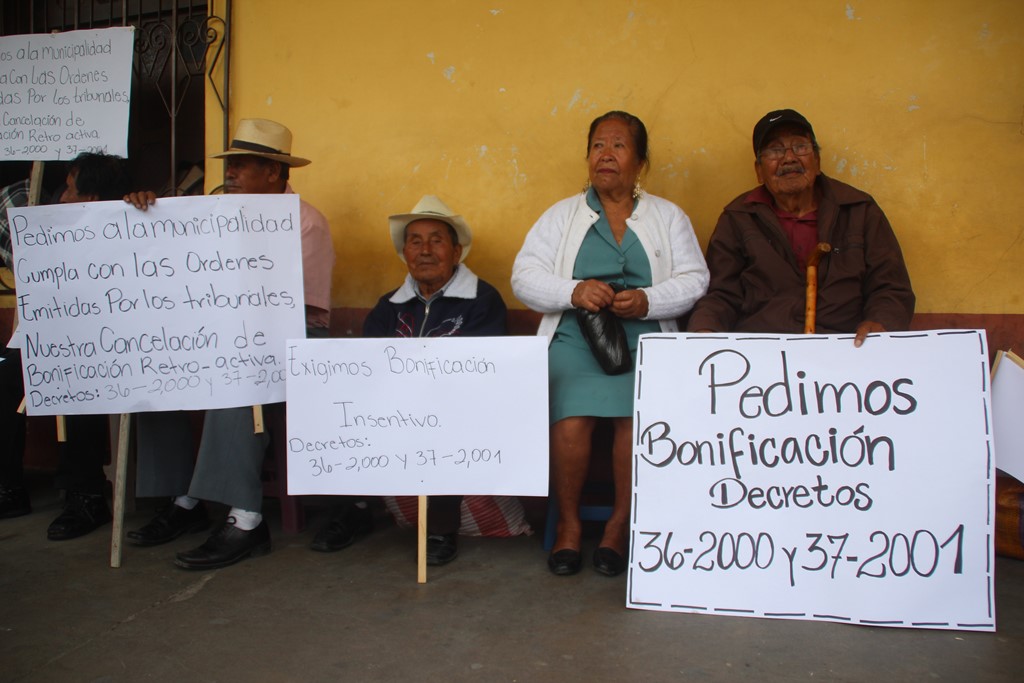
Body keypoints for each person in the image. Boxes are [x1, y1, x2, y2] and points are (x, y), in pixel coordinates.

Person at [123, 118, 335, 570]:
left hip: (292, 339)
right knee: (154, 371)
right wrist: (142, 209)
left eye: (241, 167)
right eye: (230, 166)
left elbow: (297, 307)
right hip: (220, 332)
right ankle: (185, 498)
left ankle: (246, 518)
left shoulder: (306, 222)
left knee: (235, 378)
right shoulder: (210, 212)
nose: (230, 174)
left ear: (274, 173)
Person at [511, 111, 709, 577]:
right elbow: (524, 276)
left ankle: (619, 526)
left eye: (618, 146)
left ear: (640, 160)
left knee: (631, 423)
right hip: (577, 337)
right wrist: (572, 291)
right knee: (572, 422)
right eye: (598, 145)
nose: (606, 155)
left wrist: (648, 300)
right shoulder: (561, 216)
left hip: (647, 338)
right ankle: (571, 527)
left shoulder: (666, 216)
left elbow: (695, 277)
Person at [312, 195, 507, 566]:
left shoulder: (483, 300)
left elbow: (484, 368)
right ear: (404, 253)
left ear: (456, 251)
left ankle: (439, 527)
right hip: (394, 405)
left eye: (436, 240)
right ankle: (355, 509)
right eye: (415, 241)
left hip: (454, 406)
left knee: (443, 424)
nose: (425, 250)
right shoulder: (389, 305)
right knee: (344, 411)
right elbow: (367, 365)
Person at [686, 109, 915, 343]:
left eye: (800, 147)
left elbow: (890, 288)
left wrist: (881, 322)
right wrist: (705, 331)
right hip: (764, 352)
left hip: (846, 348)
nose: (789, 158)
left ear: (817, 161)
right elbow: (721, 294)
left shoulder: (859, 209)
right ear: (758, 170)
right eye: (775, 150)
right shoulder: (738, 217)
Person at [0, 153, 131, 540]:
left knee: (77, 378)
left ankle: (86, 493)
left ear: (90, 198)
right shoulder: (56, 226)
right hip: (58, 334)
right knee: (7, 371)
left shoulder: (129, 221)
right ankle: (9, 486)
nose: (61, 198)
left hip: (115, 344)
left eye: (70, 189)